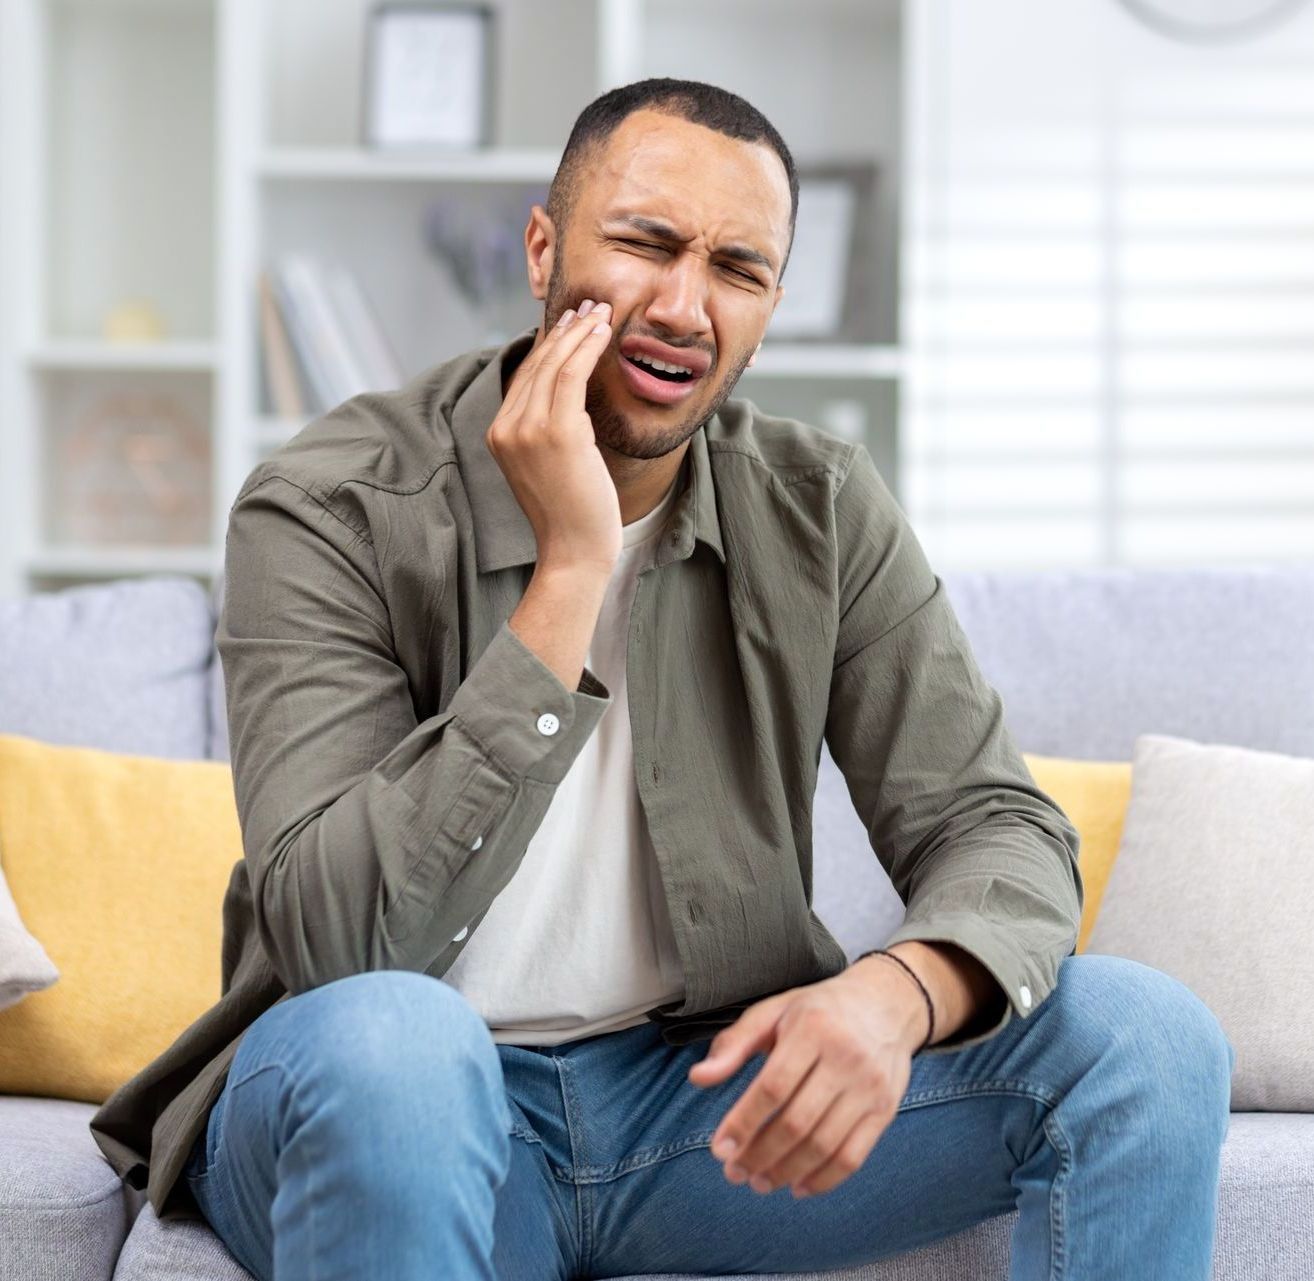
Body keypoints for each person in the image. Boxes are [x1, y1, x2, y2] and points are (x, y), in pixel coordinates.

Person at [89, 77, 1235, 1281]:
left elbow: (992, 824)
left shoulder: (821, 505)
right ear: (543, 249)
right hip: (391, 1090)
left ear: (772, 303)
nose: (685, 306)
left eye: (738, 270)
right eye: (644, 244)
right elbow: (337, 940)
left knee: (1147, 1040)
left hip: (695, 1112)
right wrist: (571, 568)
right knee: (399, 1042)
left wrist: (895, 995)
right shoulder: (330, 505)